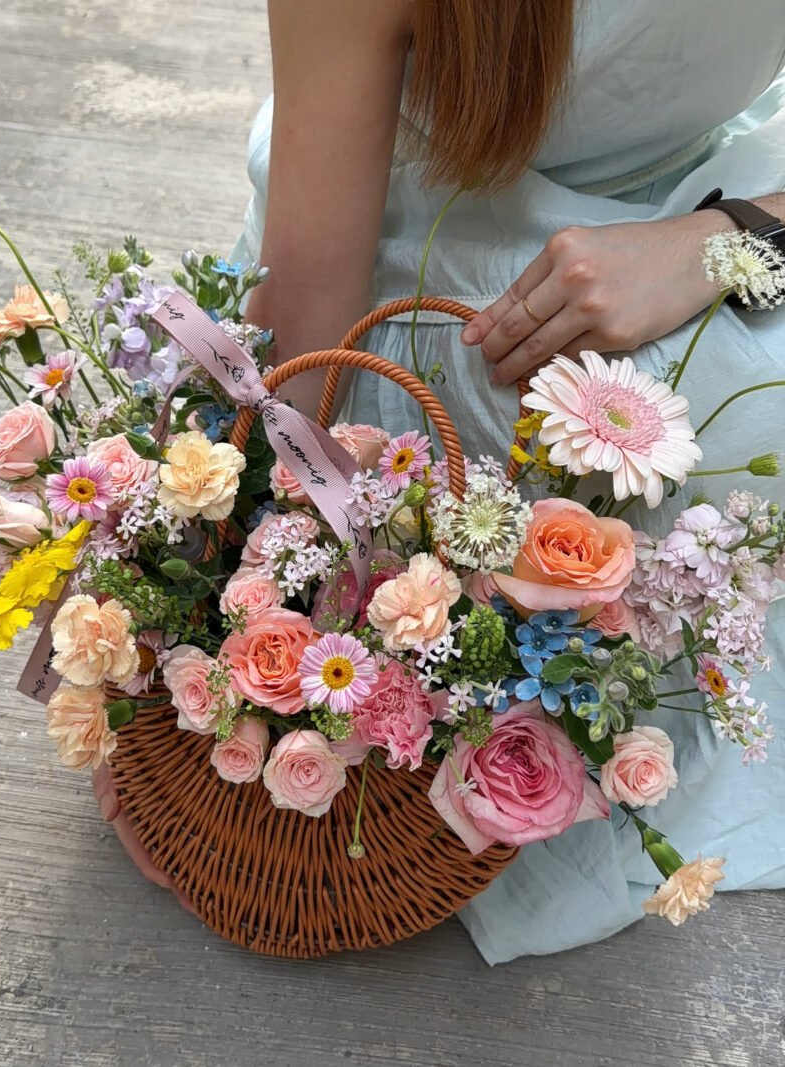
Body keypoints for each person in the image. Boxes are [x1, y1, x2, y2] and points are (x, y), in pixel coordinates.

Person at [234, 0, 785, 964]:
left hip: (730, 186)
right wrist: (216, 635)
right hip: (450, 240)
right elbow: (306, 365)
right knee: (698, 425)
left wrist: (724, 239)